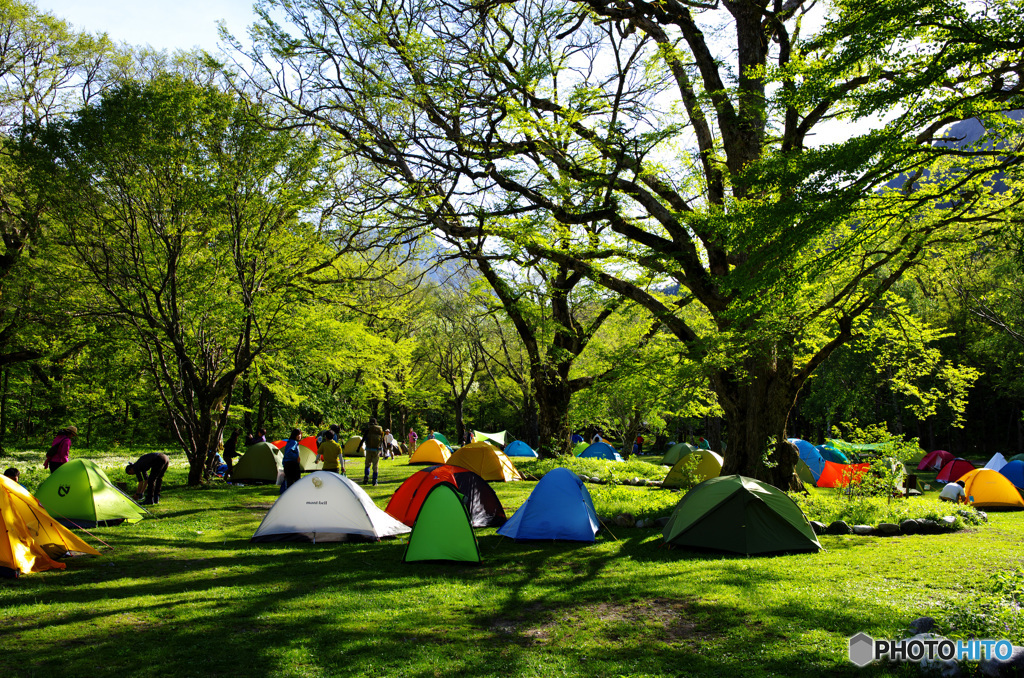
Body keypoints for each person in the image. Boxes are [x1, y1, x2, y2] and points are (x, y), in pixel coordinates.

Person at [361, 417, 385, 486]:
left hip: (368, 449)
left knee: (367, 464)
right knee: (375, 465)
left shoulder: (368, 429)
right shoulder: (379, 430)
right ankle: (375, 480)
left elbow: (363, 439)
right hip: (376, 450)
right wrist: (385, 449)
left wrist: (358, 448)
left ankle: (366, 478)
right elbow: (382, 440)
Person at [280, 428, 303, 493]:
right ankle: (295, 493)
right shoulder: (293, 442)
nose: (299, 436)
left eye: (300, 434)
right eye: (298, 434)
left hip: (288, 464)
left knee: (290, 481)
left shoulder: (290, 442)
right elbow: (289, 452)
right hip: (292, 464)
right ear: (294, 435)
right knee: (296, 480)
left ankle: (290, 494)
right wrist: (296, 457)